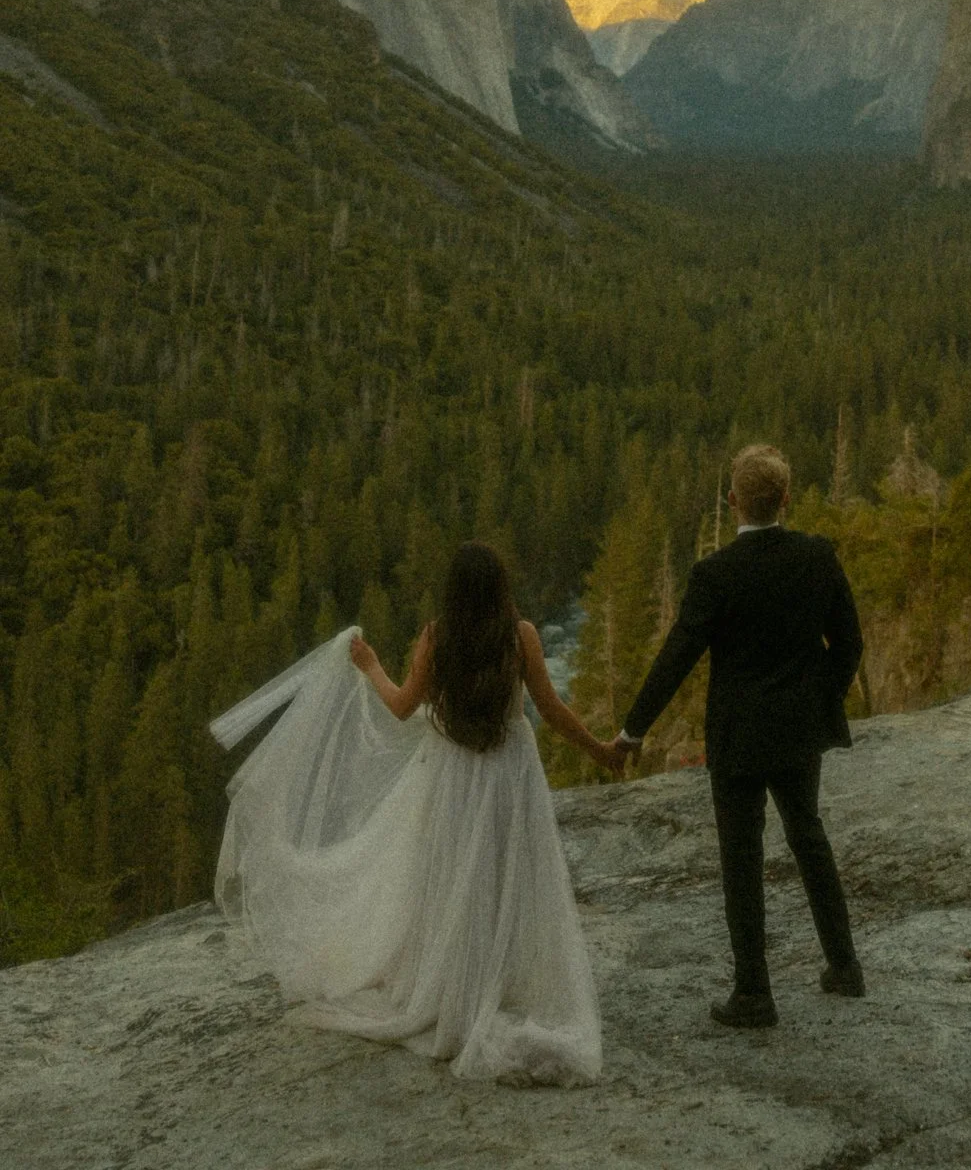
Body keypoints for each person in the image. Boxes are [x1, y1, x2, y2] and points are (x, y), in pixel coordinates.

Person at [212, 542, 616, 1083]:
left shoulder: (437, 636)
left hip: (453, 774)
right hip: (509, 775)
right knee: (513, 876)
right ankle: (503, 977)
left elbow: (402, 706)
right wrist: (600, 750)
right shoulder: (521, 637)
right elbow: (552, 711)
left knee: (450, 881)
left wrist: (370, 665)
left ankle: (454, 983)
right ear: (501, 588)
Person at [609, 443, 865, 1028]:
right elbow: (849, 645)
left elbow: (677, 657)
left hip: (739, 736)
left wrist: (631, 731)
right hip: (800, 732)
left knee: (741, 857)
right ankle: (845, 967)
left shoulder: (715, 574)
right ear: (785, 499)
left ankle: (754, 993)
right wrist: (817, 699)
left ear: (734, 502)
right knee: (810, 837)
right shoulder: (817, 557)